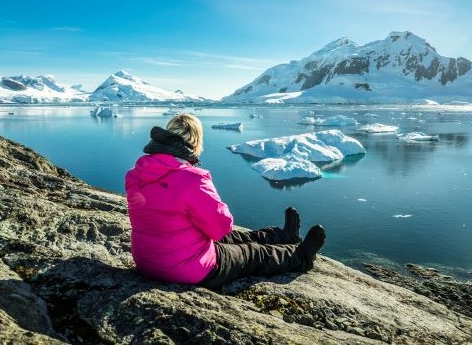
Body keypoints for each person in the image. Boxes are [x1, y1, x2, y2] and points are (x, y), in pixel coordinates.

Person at [125, 113, 326, 289]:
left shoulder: (136, 175)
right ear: (195, 142)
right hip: (186, 269)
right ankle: (302, 257)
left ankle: (282, 235)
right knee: (252, 254)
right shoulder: (191, 178)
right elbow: (221, 229)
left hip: (147, 262)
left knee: (232, 240)